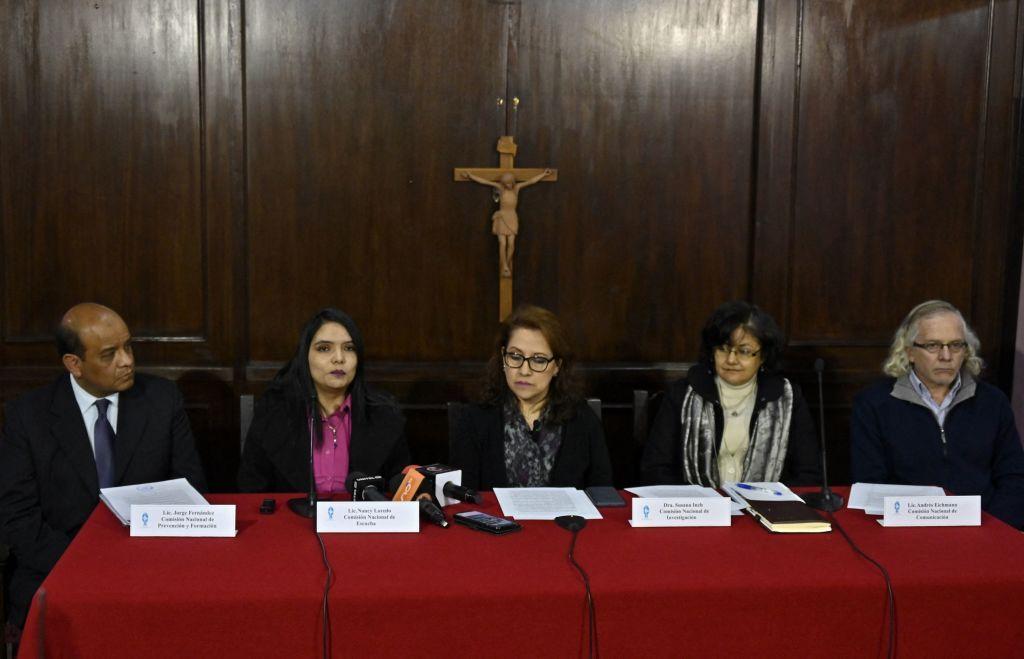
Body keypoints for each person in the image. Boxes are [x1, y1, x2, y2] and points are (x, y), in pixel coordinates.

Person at [0, 303, 206, 632]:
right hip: (57, 567)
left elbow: (191, 490)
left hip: (151, 567)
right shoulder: (28, 417)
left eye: (128, 346)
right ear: (74, 364)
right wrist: (87, 564)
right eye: (109, 354)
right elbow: (18, 517)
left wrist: (141, 564)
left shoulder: (162, 400)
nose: (126, 360)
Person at [850, 300, 1024, 528]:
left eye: (956, 345)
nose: (946, 356)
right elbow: (869, 484)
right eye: (933, 345)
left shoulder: (992, 402)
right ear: (909, 351)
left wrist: (992, 529)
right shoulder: (874, 404)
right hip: (905, 531)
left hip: (984, 528)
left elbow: (1014, 478)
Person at [642, 301, 821, 487]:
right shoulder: (684, 393)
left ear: (763, 356)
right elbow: (656, 468)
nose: (731, 359)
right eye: (723, 349)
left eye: (744, 352)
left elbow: (808, 473)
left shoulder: (787, 397)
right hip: (697, 510)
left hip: (766, 510)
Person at [238, 308, 410, 493]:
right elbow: (251, 490)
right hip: (294, 519)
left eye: (349, 348)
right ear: (305, 357)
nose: (339, 358)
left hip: (362, 521)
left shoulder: (384, 415)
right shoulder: (274, 413)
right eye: (324, 348)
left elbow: (401, 486)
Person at [449, 305, 613, 489]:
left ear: (557, 366)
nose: (524, 370)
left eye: (539, 360)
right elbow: (461, 499)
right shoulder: (475, 419)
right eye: (515, 356)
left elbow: (602, 494)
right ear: (503, 358)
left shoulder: (582, 420)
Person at [461, 168, 553, 277]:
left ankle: (506, 264)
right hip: (501, 217)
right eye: (506, 183)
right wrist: (470, 176)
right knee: (502, 243)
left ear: (513, 182)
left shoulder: (516, 189)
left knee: (511, 243)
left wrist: (543, 174)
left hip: (512, 217)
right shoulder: (500, 189)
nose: (508, 185)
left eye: (509, 182)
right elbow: (484, 181)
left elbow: (531, 181)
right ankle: (504, 266)